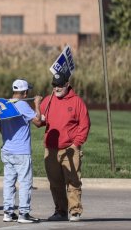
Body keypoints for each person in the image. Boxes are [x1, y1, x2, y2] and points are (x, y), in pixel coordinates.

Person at [39, 73, 90, 222]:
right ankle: (60, 212)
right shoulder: (48, 101)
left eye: (60, 84)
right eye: (54, 85)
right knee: (55, 182)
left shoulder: (77, 102)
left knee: (73, 180)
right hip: (51, 149)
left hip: (70, 148)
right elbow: (38, 122)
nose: (57, 88)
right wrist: (36, 106)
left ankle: (74, 211)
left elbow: (84, 124)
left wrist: (76, 144)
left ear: (67, 84)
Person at [0, 79, 43, 223]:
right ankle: (24, 213)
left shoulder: (5, 104)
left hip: (7, 150)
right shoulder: (23, 104)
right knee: (25, 183)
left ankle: (8, 212)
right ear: (24, 93)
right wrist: (37, 104)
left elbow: (0, 127)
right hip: (21, 152)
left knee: (9, 182)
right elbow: (38, 122)